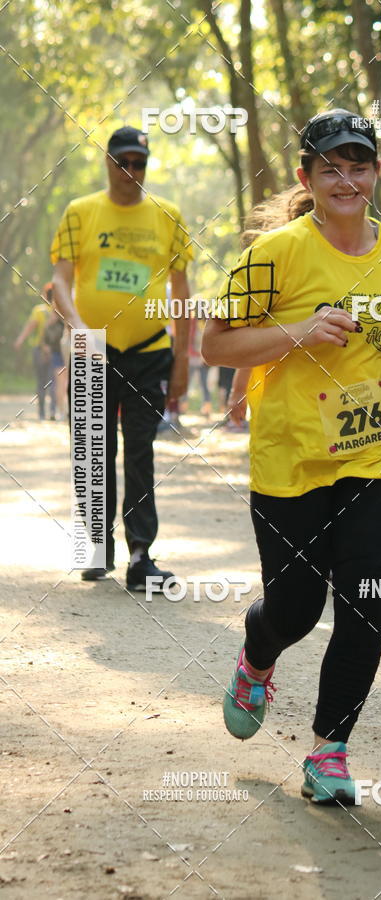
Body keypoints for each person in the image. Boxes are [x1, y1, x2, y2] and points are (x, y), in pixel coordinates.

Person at [203, 109, 381, 805]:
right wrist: (298, 332)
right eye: (330, 167)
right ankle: (258, 650)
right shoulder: (273, 254)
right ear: (307, 177)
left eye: (359, 165)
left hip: (376, 456)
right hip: (292, 458)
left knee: (366, 601)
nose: (346, 178)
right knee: (297, 610)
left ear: (375, 174)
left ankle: (329, 751)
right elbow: (216, 345)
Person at [51, 125, 193, 587]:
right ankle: (94, 549)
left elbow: (181, 293)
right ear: (108, 163)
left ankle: (140, 556)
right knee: (93, 449)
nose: (130, 172)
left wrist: (182, 362)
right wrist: (78, 327)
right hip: (93, 348)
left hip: (150, 351)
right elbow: (61, 284)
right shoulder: (80, 212)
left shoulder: (168, 216)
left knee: (140, 452)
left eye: (139, 164)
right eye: (122, 162)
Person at [14, 284, 56, 420]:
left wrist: (20, 340)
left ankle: (42, 413)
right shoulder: (59, 311)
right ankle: (53, 411)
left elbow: (30, 327)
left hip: (40, 350)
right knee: (54, 381)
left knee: (41, 381)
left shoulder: (39, 311)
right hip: (56, 351)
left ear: (45, 295)